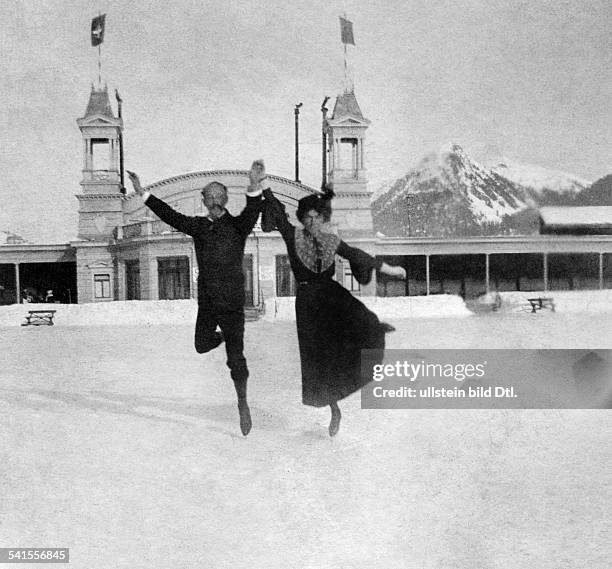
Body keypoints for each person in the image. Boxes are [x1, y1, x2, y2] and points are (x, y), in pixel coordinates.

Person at [127, 160, 267, 436]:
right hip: (208, 302)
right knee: (201, 345)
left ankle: (242, 403)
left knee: (236, 359)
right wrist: (143, 192)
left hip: (231, 303)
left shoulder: (238, 226)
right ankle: (226, 336)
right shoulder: (198, 226)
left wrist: (253, 183)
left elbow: (253, 209)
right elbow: (170, 215)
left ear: (225, 199)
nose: (214, 200)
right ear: (204, 201)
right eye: (209, 196)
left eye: (218, 196)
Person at [261, 185, 406, 436]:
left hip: (330, 294)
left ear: (323, 218)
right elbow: (277, 213)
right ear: (302, 219)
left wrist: (388, 269)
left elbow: (357, 255)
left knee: (364, 322)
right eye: (307, 217)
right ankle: (334, 409)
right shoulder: (292, 235)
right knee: (319, 359)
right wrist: (265, 187)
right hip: (308, 302)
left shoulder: (331, 240)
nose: (312, 221)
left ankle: (372, 331)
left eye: (317, 217)